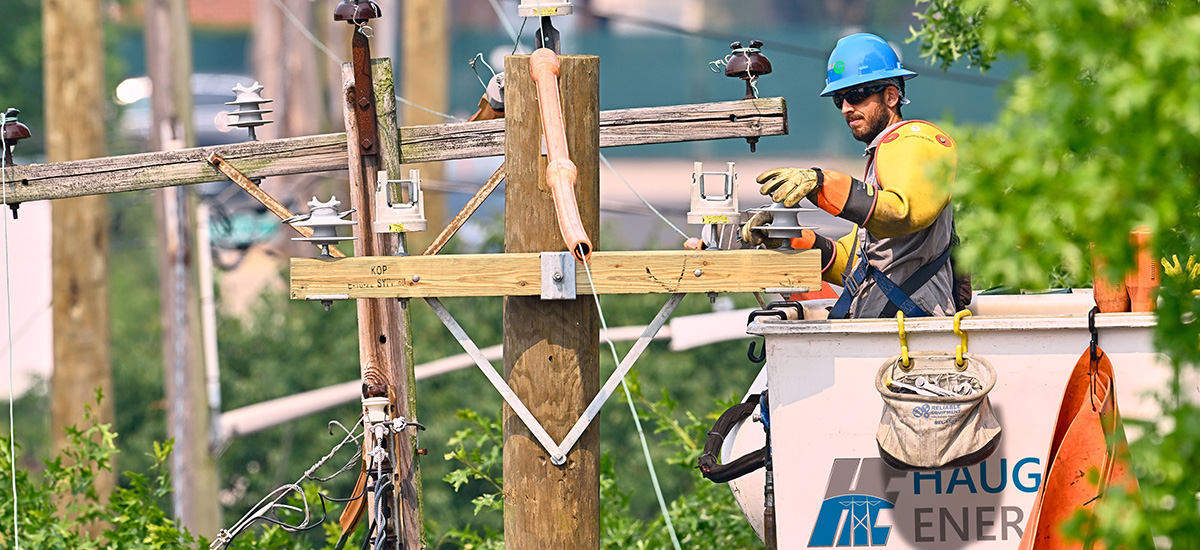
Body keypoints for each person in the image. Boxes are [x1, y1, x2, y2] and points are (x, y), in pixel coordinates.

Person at [740, 33, 962, 319]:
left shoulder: (916, 141)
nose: (846, 108)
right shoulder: (881, 154)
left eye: (856, 95)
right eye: (839, 99)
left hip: (915, 329)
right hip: (886, 326)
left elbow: (904, 212)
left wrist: (821, 184)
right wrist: (787, 237)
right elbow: (854, 261)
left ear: (891, 96)